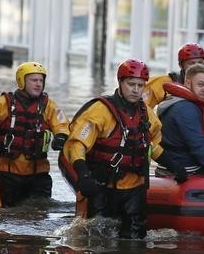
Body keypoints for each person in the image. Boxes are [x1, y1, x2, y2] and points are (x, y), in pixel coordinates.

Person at [60, 59, 183, 239]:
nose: (135, 89)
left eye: (140, 85)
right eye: (131, 84)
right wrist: (83, 174)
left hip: (135, 190)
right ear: (120, 82)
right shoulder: (99, 111)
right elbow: (77, 143)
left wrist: (174, 165)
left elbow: (150, 146)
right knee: (98, 242)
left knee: (135, 242)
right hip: (104, 188)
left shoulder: (147, 115)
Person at [0, 61, 69, 208]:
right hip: (8, 175)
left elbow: (62, 124)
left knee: (39, 216)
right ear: (21, 81)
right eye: (33, 80)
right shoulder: (1, 104)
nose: (38, 84)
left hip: (38, 176)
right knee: (7, 217)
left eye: (41, 81)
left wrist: (61, 137)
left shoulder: (49, 106)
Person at [156, 64, 204, 177]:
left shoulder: (179, 102)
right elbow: (198, 146)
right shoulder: (185, 109)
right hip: (183, 171)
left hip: (173, 167)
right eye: (201, 85)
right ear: (187, 83)